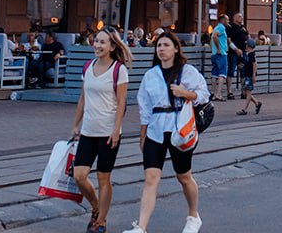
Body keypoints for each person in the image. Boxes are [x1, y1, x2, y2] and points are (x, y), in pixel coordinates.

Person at [123, 30, 209, 233]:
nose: (161, 49)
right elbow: (144, 106)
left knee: (184, 176)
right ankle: (141, 227)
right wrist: (142, 134)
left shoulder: (187, 71)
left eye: (166, 45)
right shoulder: (150, 75)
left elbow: (204, 95)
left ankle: (193, 216)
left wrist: (185, 93)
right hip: (156, 129)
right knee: (151, 178)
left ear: (176, 48)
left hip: (180, 129)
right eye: (159, 46)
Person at [71, 28, 131, 233]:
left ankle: (101, 221)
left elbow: (121, 103)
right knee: (79, 175)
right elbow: (83, 98)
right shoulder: (87, 67)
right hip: (88, 130)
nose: (97, 45)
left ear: (112, 47)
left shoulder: (119, 70)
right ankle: (96, 207)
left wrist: (116, 130)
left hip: (108, 132)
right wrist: (75, 125)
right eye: (96, 41)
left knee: (103, 177)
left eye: (103, 42)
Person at [236, 39, 261, 116]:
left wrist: (254, 75)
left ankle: (245, 109)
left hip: (250, 75)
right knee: (245, 92)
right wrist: (242, 66)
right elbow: (247, 64)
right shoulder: (247, 54)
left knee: (248, 92)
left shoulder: (252, 55)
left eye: (246, 45)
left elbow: (254, 65)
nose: (245, 46)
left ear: (249, 46)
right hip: (247, 75)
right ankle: (257, 103)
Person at [227, 13, 249, 95]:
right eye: (239, 17)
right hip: (233, 52)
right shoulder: (230, 27)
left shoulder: (243, 27)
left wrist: (248, 47)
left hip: (243, 52)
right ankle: (229, 91)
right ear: (234, 18)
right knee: (231, 71)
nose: (241, 18)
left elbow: (248, 36)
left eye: (242, 16)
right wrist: (235, 49)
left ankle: (243, 91)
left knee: (243, 72)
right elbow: (228, 40)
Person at [208, 16, 228, 101]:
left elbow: (212, 38)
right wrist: (219, 48)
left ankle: (213, 92)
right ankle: (218, 94)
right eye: (227, 19)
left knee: (214, 73)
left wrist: (213, 49)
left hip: (214, 54)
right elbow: (215, 37)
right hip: (221, 54)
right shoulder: (221, 28)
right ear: (222, 20)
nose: (228, 21)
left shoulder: (215, 27)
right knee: (222, 74)